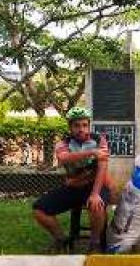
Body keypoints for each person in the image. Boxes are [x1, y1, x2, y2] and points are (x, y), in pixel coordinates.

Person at [33, 107, 112, 253]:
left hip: (96, 185)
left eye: (84, 125)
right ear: (70, 127)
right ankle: (61, 239)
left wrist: (95, 194)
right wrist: (92, 152)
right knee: (39, 209)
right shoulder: (63, 143)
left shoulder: (99, 140)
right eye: (76, 126)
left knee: (97, 205)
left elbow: (102, 167)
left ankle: (94, 243)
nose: (81, 129)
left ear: (89, 126)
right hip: (73, 187)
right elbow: (63, 158)